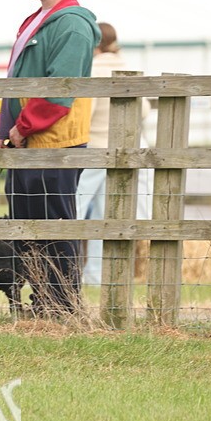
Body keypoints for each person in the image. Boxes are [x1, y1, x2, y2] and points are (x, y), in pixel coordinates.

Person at [0, 0, 100, 314]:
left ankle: (61, 306)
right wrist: (3, 125)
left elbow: (60, 92)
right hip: (24, 145)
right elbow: (17, 82)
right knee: (25, 230)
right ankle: (41, 303)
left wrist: (21, 128)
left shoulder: (72, 25)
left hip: (53, 145)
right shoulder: (35, 20)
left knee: (55, 228)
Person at [76, 22, 153, 285]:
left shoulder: (92, 70)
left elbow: (87, 111)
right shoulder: (129, 68)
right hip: (122, 150)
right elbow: (143, 111)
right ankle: (95, 276)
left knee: (74, 210)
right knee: (104, 216)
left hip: (94, 148)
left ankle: (63, 271)